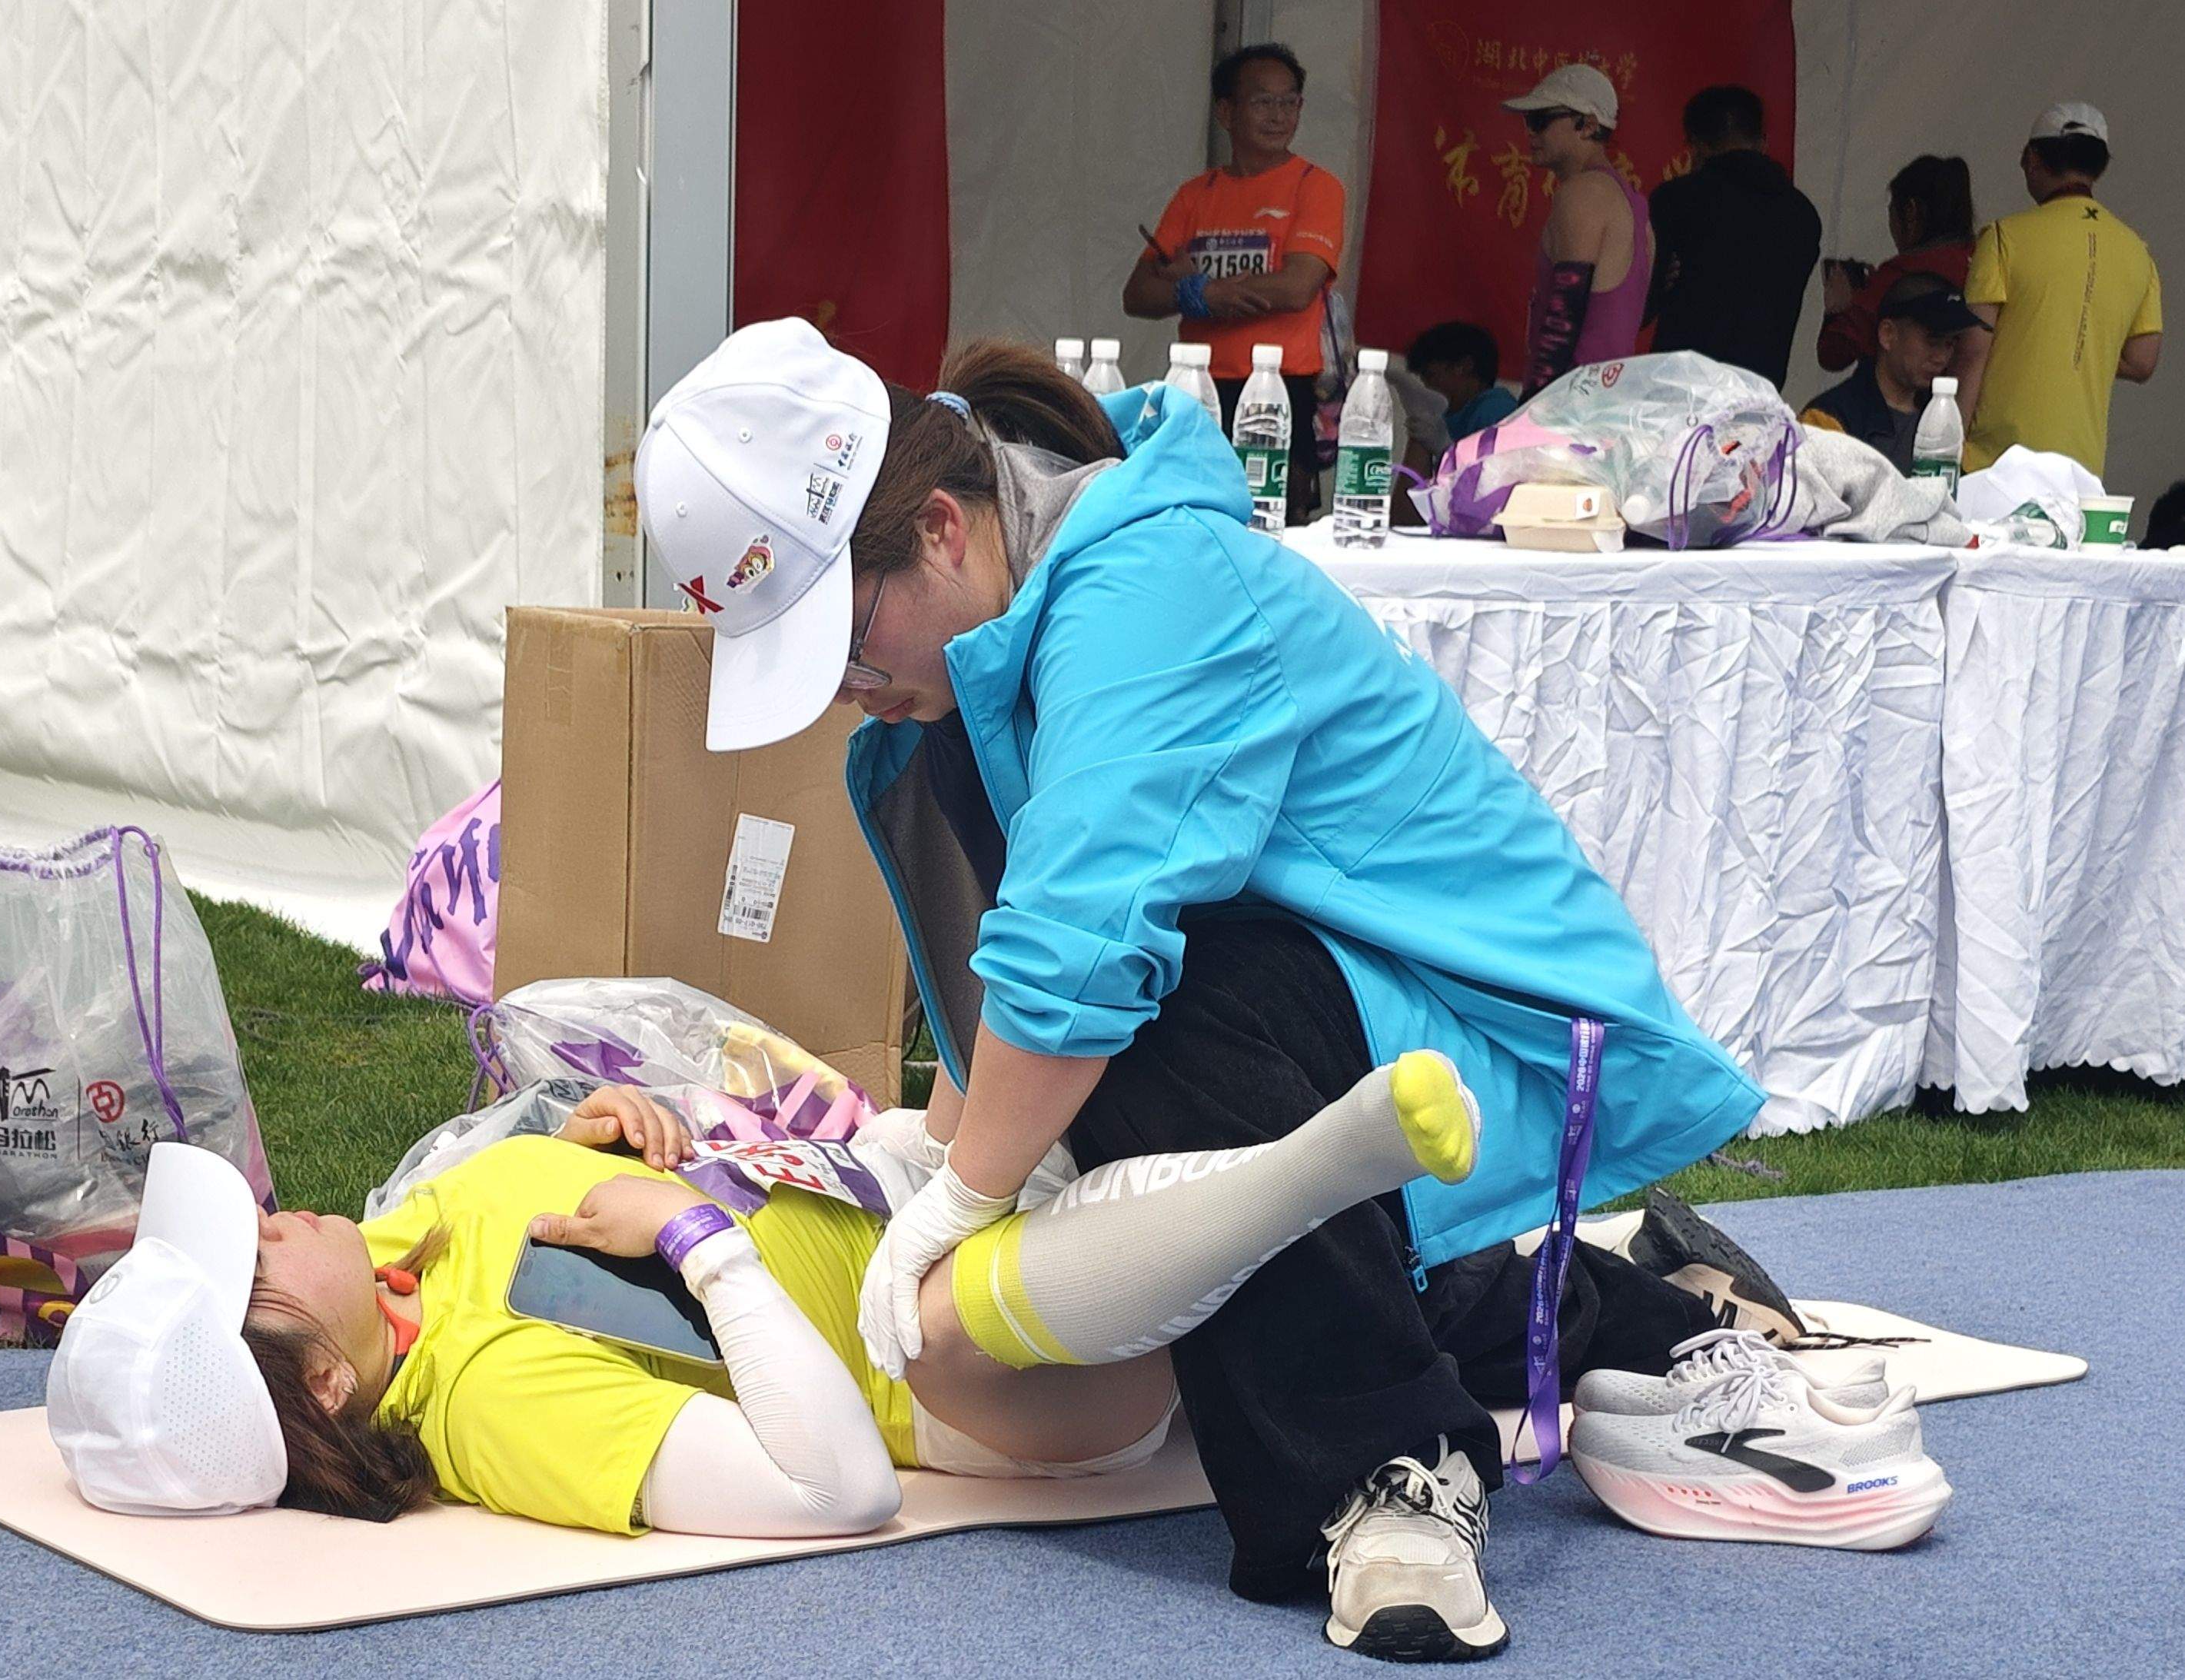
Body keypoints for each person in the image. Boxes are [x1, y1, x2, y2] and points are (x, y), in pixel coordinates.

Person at [630, 317, 1766, 1658]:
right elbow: (1024, 968)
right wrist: (928, 1154)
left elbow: (1081, 953)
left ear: (938, 528)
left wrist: (964, 1194)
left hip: (1479, 1039)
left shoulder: (1147, 585)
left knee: (1143, 1028)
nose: (843, 692)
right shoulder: (990, 648)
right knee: (1134, 1140)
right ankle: (1633, 1322)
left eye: (841, 645)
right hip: (1341, 1041)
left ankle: (1387, 1463)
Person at [47, 1058, 1499, 1540]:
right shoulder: (492, 1398)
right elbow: (835, 1488)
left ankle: (1380, 1222)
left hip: (887, 1183)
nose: (274, 1216)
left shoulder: (392, 1242)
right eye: (256, 1259)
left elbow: (572, 1163)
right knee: (940, 1317)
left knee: (992, 948)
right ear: (320, 1384)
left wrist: (610, 1127)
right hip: (972, 1370)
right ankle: (1323, 1167)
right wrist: (693, 1238)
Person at [1122, 41, 1345, 524]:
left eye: (1289, 102)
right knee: (1194, 518)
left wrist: (1205, 292)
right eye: (1263, 101)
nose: (1278, 115)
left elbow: (1298, 287)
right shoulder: (1195, 195)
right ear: (1226, 111)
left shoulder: (1315, 185)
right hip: (1199, 385)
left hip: (1282, 387)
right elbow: (1137, 294)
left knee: (1275, 523)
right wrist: (1197, 294)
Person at [1952, 103, 2163, 477]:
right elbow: (2142, 361)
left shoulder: (2003, 238)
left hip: (1994, 463)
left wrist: (1947, 449)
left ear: (2033, 159)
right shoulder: (2138, 253)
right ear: (2099, 167)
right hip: (2080, 470)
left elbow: (1973, 352)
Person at [1645, 85, 1822, 388]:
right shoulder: (1802, 214)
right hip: (1758, 392)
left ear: (1696, 146)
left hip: (1680, 390)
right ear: (1762, 142)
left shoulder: (1676, 201)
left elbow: (1641, 306)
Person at [1501, 65, 1651, 399]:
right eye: (1528, 121)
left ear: (1588, 125)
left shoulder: (1583, 192)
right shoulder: (1637, 208)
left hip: (1571, 404)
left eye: (1541, 120)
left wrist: (1532, 405)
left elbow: (1564, 315)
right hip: (1606, 400)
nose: (1530, 133)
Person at [1800, 274, 1990, 472]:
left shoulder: (1944, 418)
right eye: (1933, 341)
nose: (1941, 357)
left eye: (1950, 344)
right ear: (1888, 335)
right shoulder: (1828, 418)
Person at [1817, 155, 1978, 373]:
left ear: (1910, 211)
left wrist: (1839, 308)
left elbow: (1833, 354)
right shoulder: (1983, 260)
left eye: (1892, 213)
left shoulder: (1899, 277)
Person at [1389, 322, 1518, 525]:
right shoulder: (1453, 414)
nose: (1426, 386)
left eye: (1430, 376)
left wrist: (1446, 448)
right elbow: (1403, 518)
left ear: (1463, 367)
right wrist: (1422, 428)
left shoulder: (1495, 410)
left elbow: (1491, 490)